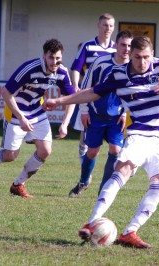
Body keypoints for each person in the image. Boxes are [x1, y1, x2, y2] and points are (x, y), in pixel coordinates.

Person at [43, 36, 159, 248]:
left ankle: (130, 232)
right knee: (124, 169)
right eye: (137, 57)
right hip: (139, 133)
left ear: (152, 54)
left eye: (146, 57)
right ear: (129, 55)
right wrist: (59, 101)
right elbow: (92, 93)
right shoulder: (118, 74)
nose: (142, 62)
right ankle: (91, 222)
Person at [0, 39, 76, 198]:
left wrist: (65, 123)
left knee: (45, 150)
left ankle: (18, 184)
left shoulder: (61, 72)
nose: (54, 62)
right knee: (10, 156)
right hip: (15, 113)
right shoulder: (29, 69)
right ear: (44, 56)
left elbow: (71, 98)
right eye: (51, 57)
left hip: (37, 112)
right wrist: (21, 118)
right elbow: (6, 93)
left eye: (58, 58)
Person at [68, 31, 133, 197]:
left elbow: (131, 92)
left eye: (129, 46)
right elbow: (86, 86)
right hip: (95, 114)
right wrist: (84, 110)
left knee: (116, 149)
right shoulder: (100, 62)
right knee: (92, 152)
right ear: (116, 45)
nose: (126, 49)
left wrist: (125, 111)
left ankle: (103, 190)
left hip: (116, 117)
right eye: (123, 45)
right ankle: (83, 181)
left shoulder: (132, 68)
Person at [70, 13, 116, 167]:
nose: (107, 28)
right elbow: (76, 67)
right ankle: (84, 160)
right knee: (86, 128)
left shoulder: (117, 48)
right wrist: (76, 85)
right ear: (98, 26)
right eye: (104, 25)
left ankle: (114, 163)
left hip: (110, 98)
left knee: (113, 134)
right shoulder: (88, 46)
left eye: (110, 25)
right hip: (90, 94)